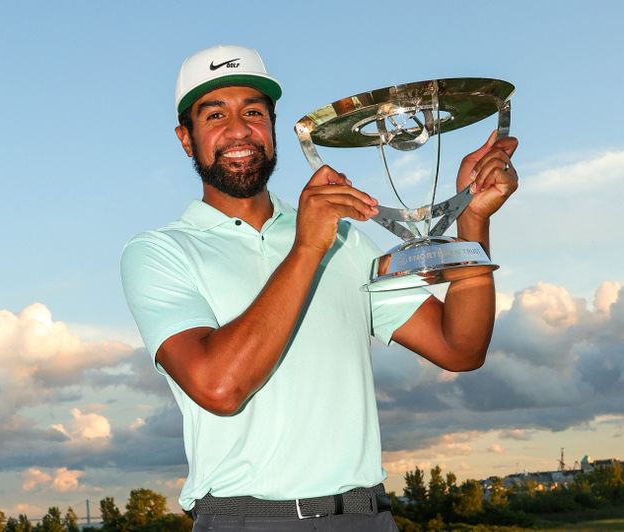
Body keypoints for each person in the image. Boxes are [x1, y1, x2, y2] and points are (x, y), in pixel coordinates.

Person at [121, 44, 519, 531]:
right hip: (248, 519)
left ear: (271, 126)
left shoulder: (343, 236)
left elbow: (459, 348)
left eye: (253, 112)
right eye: (214, 116)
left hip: (364, 516)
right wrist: (307, 249)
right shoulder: (159, 252)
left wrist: (472, 218)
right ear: (186, 139)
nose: (239, 130)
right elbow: (219, 387)